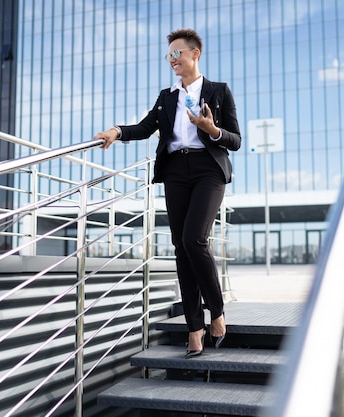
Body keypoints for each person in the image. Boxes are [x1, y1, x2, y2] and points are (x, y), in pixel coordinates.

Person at [94, 28, 241, 358]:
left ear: (194, 54)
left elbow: (236, 140)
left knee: (194, 240)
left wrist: (211, 129)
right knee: (180, 249)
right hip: (175, 171)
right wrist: (116, 132)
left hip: (208, 169)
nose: (173, 60)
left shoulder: (218, 92)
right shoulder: (167, 96)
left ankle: (216, 312)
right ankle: (194, 328)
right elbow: (146, 127)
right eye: (169, 56)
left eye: (178, 54)